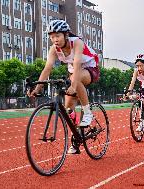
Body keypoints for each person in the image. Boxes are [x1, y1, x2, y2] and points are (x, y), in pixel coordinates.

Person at [28, 20, 100, 154]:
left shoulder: (77, 42)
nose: (54, 39)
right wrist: (37, 88)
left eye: (57, 36)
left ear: (66, 35)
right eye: (51, 37)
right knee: (68, 110)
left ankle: (88, 113)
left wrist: (73, 85)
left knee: (75, 81)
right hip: (74, 71)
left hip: (90, 67)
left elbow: (78, 64)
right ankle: (78, 137)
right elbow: (47, 68)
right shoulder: (53, 49)